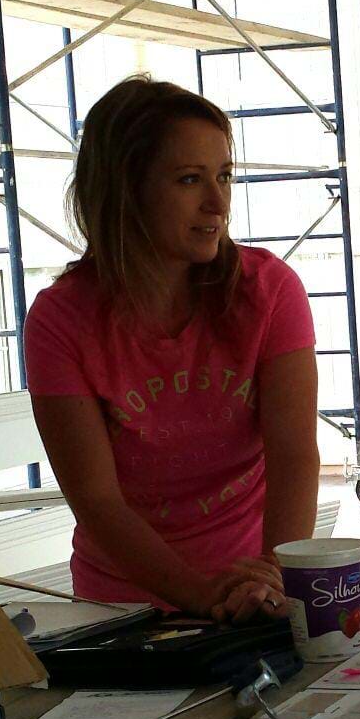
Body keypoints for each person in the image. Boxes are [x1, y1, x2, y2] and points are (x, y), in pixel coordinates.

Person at [25, 76, 321, 624]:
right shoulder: (61, 320)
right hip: (122, 606)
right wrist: (204, 596)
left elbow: (294, 455)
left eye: (225, 175)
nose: (218, 202)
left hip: (256, 591)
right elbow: (97, 500)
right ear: (124, 190)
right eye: (190, 179)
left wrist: (274, 576)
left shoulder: (269, 291)